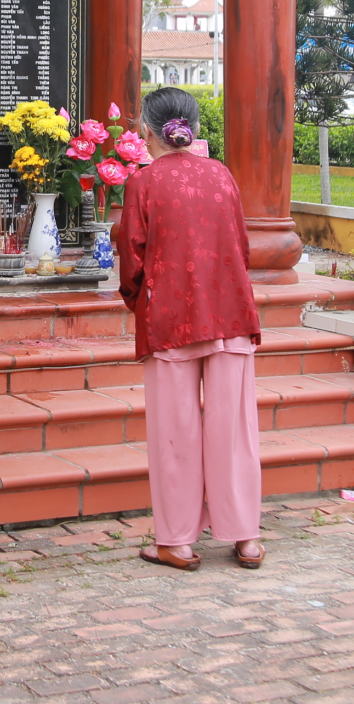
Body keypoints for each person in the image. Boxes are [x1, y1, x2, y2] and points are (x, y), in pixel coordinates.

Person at [111, 86, 264, 571]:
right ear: (192, 128)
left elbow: (132, 260)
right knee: (235, 430)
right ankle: (246, 539)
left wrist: (139, 303)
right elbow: (240, 246)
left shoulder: (143, 182)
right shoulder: (222, 176)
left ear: (146, 133)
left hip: (172, 318)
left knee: (174, 430)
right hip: (230, 312)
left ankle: (176, 541)